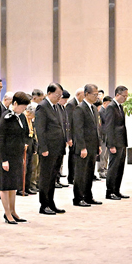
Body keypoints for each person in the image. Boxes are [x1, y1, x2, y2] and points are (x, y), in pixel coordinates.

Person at [0, 92, 30, 223]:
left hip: (17, 154)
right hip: (7, 155)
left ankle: (13, 210)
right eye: (22, 107)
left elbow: (25, 133)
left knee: (13, 185)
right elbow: (1, 139)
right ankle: (7, 213)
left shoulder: (21, 117)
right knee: (6, 185)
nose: (23, 110)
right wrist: (4, 159)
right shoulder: (6, 117)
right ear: (15, 103)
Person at [35, 83, 66, 215]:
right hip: (48, 149)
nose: (59, 97)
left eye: (60, 95)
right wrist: (43, 147)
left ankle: (51, 202)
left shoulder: (57, 107)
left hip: (58, 148)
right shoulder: (42, 107)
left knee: (53, 177)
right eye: (57, 95)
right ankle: (44, 204)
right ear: (49, 93)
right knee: (45, 177)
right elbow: (40, 129)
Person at [73, 85, 102, 206]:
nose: (96, 97)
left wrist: (98, 145)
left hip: (93, 146)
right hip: (84, 147)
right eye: (94, 94)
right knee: (81, 173)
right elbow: (78, 130)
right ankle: (78, 198)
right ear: (86, 94)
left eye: (97, 94)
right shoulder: (80, 108)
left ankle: (88, 196)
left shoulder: (94, 108)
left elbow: (96, 129)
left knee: (90, 172)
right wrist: (82, 147)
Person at [102, 86, 129, 201]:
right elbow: (109, 127)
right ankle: (110, 191)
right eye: (124, 96)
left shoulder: (120, 107)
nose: (125, 98)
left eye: (127, 96)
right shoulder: (111, 107)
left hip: (122, 141)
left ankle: (116, 190)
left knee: (120, 167)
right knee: (113, 168)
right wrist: (111, 144)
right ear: (117, 95)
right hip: (115, 143)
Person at [65, 88, 83, 192]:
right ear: (79, 94)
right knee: (72, 156)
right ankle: (71, 177)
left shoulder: (78, 104)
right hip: (73, 135)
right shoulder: (71, 104)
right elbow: (69, 122)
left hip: (77, 135)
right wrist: (69, 137)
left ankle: (74, 175)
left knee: (75, 156)